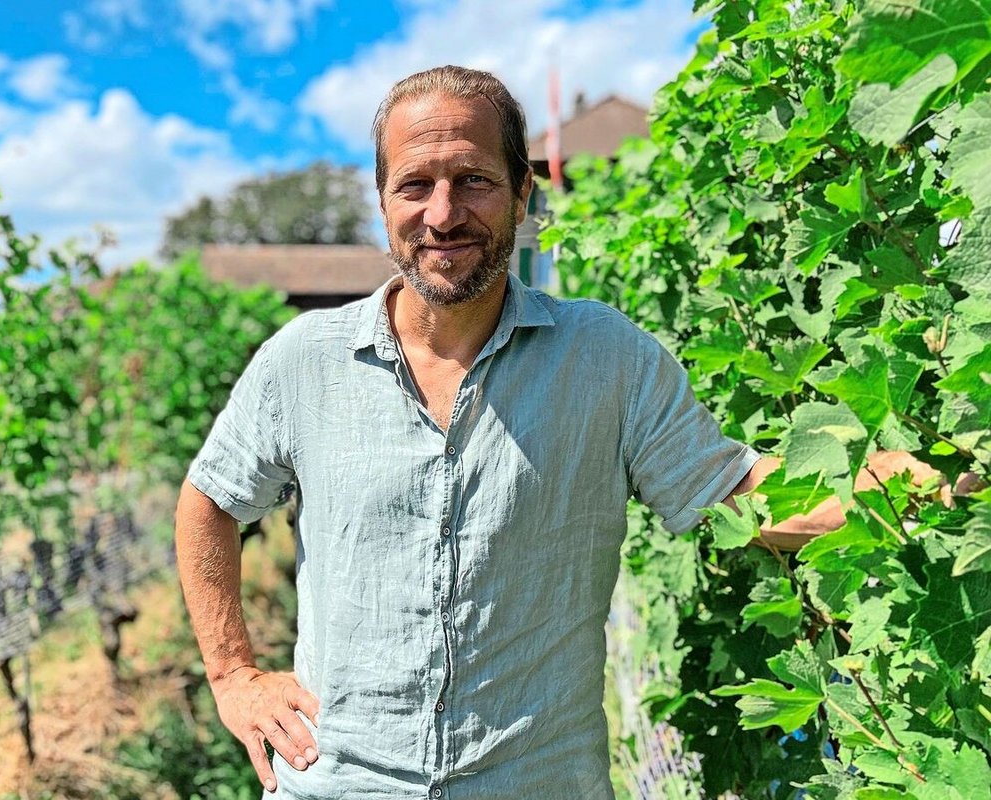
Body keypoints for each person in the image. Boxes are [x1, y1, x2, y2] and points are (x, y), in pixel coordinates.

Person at [173, 65, 891, 799]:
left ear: (523, 193)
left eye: (475, 180)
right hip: (334, 782)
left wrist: (938, 480)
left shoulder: (606, 357)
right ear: (384, 202)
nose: (443, 214)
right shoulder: (305, 360)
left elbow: (741, 495)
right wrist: (235, 676)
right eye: (415, 185)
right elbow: (210, 502)